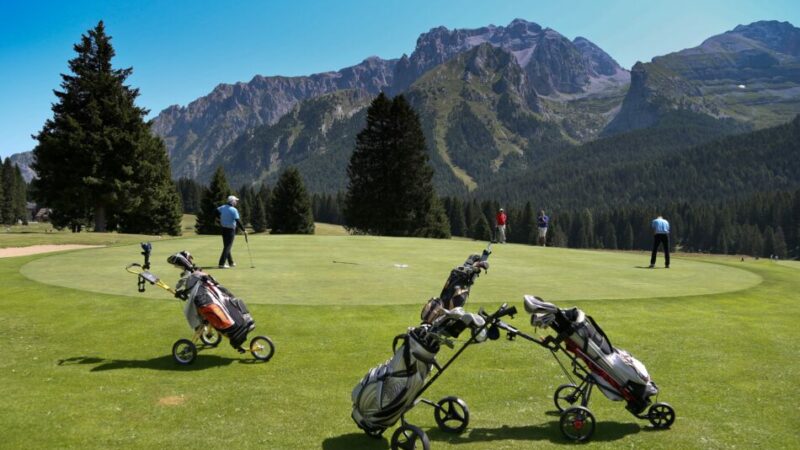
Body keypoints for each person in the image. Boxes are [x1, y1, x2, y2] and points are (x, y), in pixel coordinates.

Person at [218, 195, 247, 269]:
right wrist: (244, 230)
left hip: (223, 229)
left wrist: (220, 218)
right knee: (228, 246)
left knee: (226, 246)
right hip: (230, 230)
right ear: (232, 201)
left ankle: (231, 262)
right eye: (236, 201)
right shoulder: (234, 210)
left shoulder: (222, 207)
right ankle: (221, 263)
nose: (236, 202)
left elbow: (215, 211)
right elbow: (238, 221)